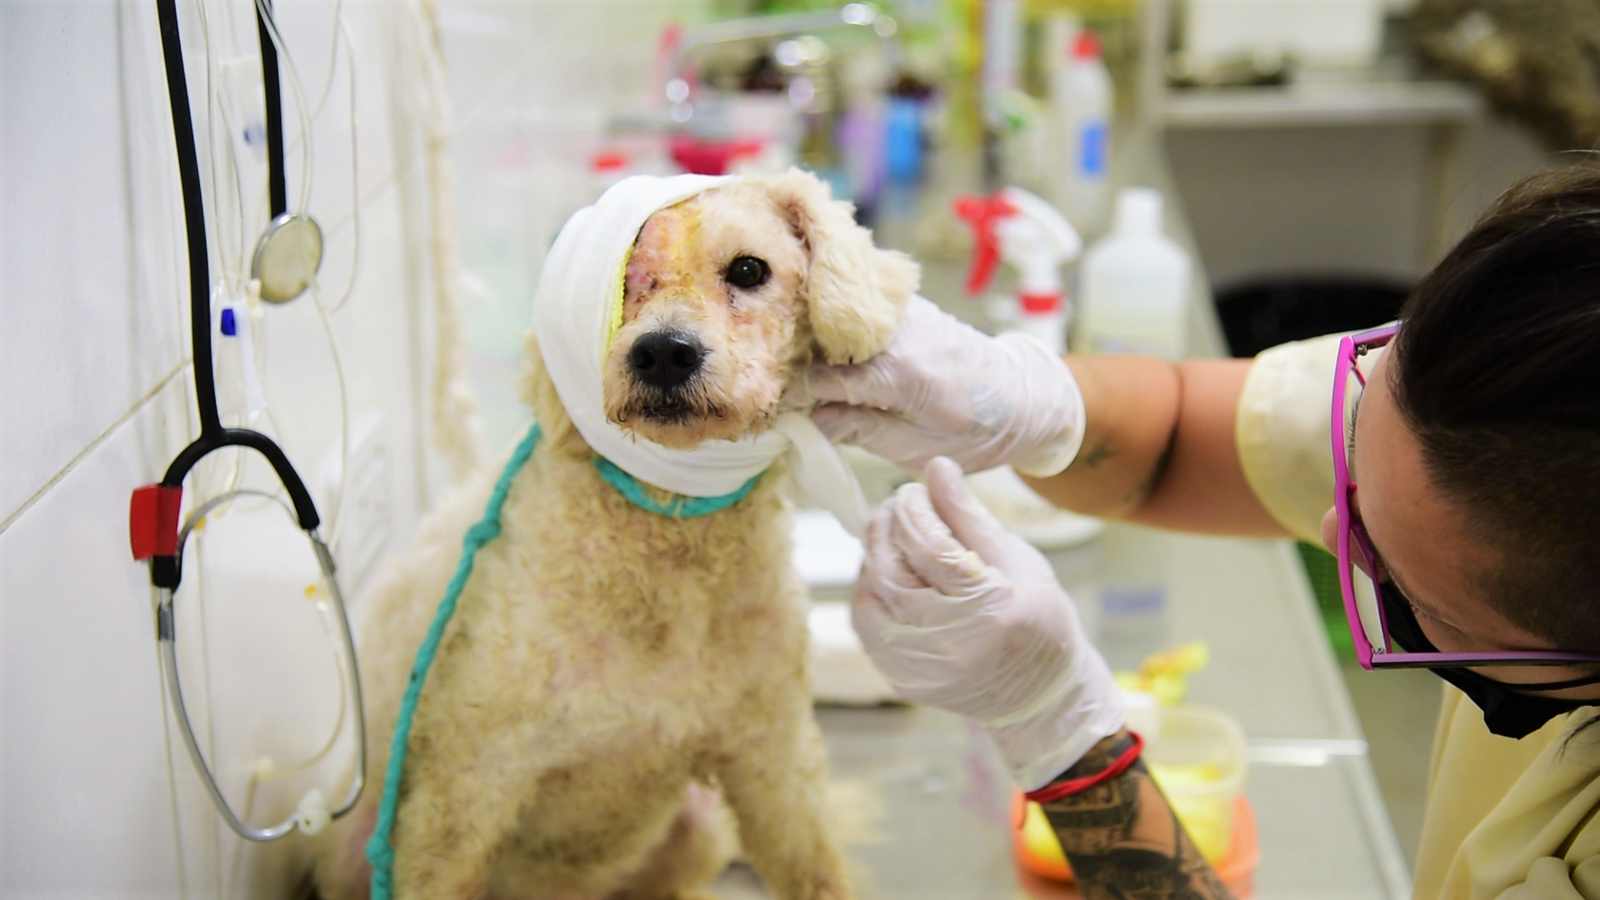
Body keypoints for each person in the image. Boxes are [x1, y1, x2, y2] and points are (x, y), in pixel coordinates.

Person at [805, 165, 1600, 900]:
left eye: (1405, 592)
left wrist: (1061, 735)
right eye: (1353, 441)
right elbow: (1178, 436)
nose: (1331, 526)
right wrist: (1022, 402)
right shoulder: (1516, 375)